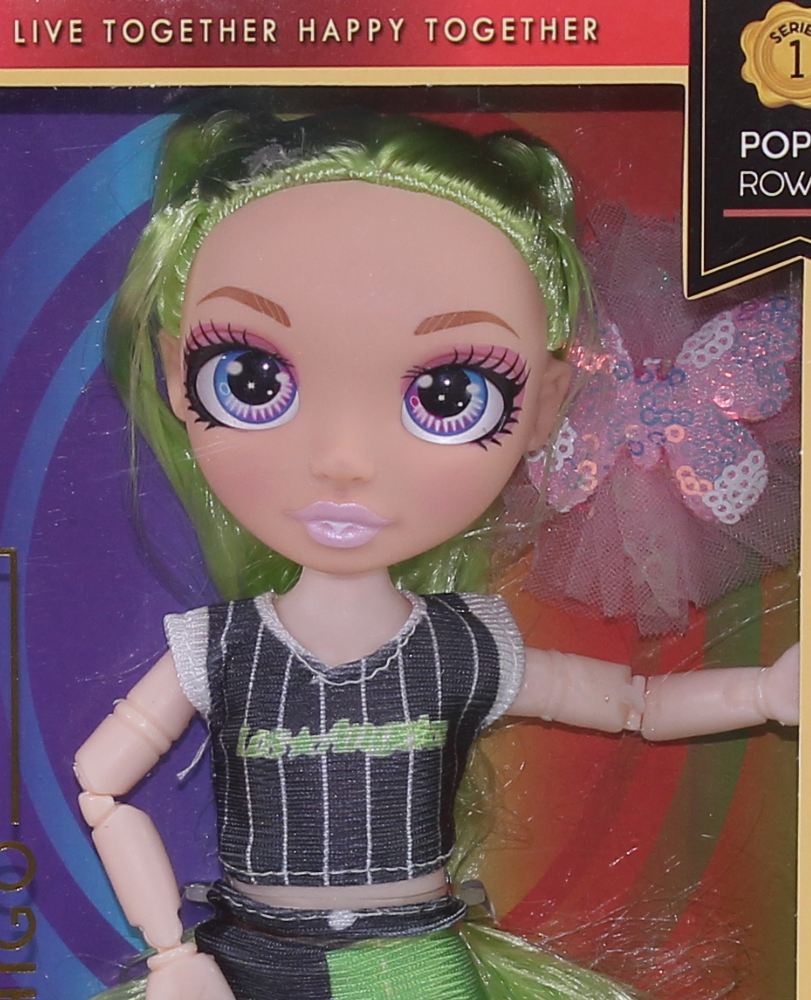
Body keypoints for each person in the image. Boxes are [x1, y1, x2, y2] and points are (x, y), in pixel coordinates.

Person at [74, 108, 799, 1000]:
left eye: (450, 393)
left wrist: (766, 694)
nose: (345, 459)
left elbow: (638, 705)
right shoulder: (217, 650)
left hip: (411, 964)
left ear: (545, 406)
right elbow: (99, 787)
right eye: (253, 379)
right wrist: (172, 957)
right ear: (175, 375)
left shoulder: (462, 649)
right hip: (248, 959)